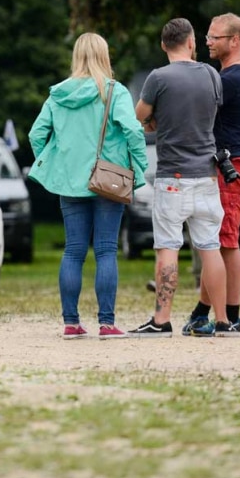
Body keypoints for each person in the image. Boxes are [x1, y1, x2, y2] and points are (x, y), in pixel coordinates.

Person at [28, 33, 148, 340]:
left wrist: (54, 161)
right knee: (106, 250)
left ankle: (71, 323)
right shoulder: (114, 92)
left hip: (69, 181)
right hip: (109, 180)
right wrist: (140, 167)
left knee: (73, 252)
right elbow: (134, 131)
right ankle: (106, 324)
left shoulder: (57, 95)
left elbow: (35, 134)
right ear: (104, 56)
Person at [126, 18, 234, 338]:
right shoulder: (212, 74)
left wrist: (156, 122)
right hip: (206, 174)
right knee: (209, 247)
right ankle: (224, 320)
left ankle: (161, 320)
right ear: (191, 43)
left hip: (172, 174)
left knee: (168, 247)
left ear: (163, 46)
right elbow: (209, 114)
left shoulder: (157, 78)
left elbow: (139, 118)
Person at [182, 13, 240, 338]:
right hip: (226, 164)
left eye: (214, 37)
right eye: (207, 37)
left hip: (231, 165)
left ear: (234, 41)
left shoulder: (233, 79)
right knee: (219, 240)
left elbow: (196, 102)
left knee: (225, 241)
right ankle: (203, 312)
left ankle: (230, 316)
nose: (208, 42)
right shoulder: (228, 75)